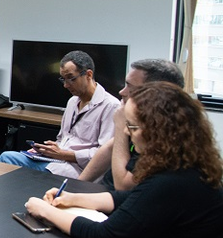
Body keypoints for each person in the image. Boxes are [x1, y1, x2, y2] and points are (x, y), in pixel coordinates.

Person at [25, 82, 223, 238]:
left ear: (159, 130)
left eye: (133, 127)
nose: (127, 132)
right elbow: (131, 200)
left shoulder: (172, 181)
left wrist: (45, 210)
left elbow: (105, 236)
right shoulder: (183, 166)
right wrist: (73, 198)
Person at [0, 50, 119, 178]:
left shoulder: (111, 106)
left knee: (12, 166)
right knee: (7, 157)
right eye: (63, 79)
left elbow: (105, 155)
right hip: (57, 161)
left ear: (88, 74)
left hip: (78, 169)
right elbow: (62, 139)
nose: (66, 85)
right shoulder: (72, 102)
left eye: (71, 79)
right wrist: (46, 150)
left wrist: (63, 154)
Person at [77, 59, 185, 189]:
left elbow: (124, 186)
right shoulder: (141, 119)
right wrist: (77, 184)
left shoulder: (166, 135)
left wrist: (120, 125)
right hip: (108, 195)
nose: (122, 92)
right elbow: (109, 148)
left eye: (130, 87)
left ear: (154, 94)